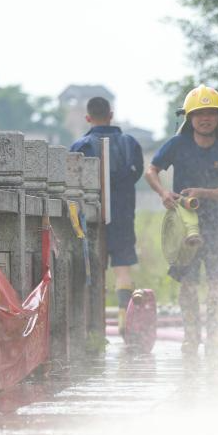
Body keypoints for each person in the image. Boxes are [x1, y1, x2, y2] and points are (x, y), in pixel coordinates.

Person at [145, 85, 218, 355]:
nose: (205, 118)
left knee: (217, 282)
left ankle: (214, 337)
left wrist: (202, 193)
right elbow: (151, 170)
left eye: (211, 112)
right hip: (184, 226)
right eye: (199, 113)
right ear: (189, 118)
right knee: (187, 283)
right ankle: (191, 337)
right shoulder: (177, 145)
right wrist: (164, 192)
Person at [69, 96, 143, 333]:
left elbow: (71, 181)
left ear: (88, 118)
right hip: (122, 215)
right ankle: (124, 318)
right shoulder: (130, 143)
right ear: (111, 114)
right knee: (123, 269)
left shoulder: (80, 146)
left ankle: (94, 327)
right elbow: (136, 173)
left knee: (94, 267)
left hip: (90, 218)